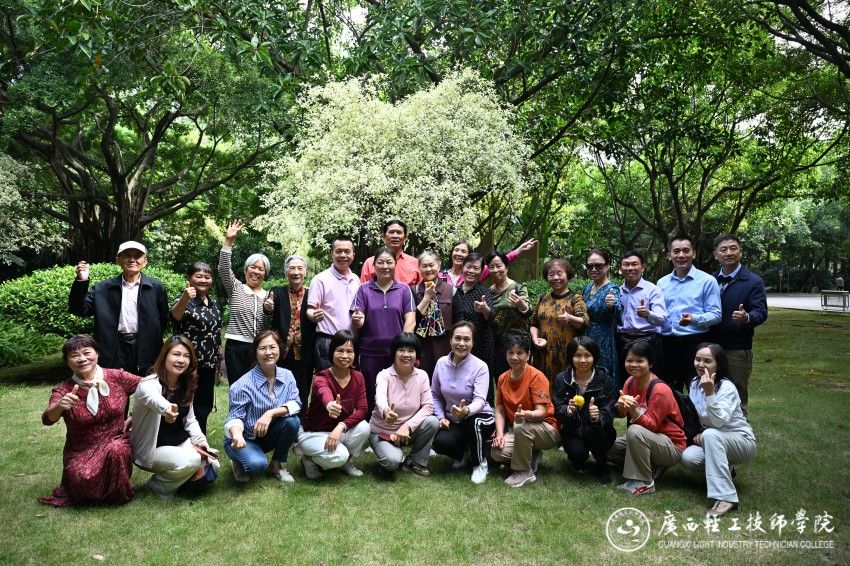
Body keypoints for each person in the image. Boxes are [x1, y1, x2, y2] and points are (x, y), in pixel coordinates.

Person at [39, 336, 141, 506]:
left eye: (87, 353)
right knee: (81, 479)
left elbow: (149, 388)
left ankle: (118, 493)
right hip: (81, 448)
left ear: (97, 354)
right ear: (67, 362)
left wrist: (134, 416)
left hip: (115, 438)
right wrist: (59, 406)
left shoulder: (117, 377)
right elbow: (47, 419)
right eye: (74, 355)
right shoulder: (64, 390)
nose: (82, 359)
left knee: (117, 450)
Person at [131, 336, 215, 498]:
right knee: (192, 460)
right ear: (164, 356)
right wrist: (168, 409)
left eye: (186, 356)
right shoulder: (148, 384)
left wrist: (201, 440)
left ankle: (180, 479)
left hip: (177, 441)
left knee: (212, 464)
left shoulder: (186, 384)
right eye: (176, 354)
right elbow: (153, 400)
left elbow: (190, 420)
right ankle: (156, 488)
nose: (181, 360)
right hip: (151, 449)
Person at [69, 241, 168, 376]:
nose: (132, 259)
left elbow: (163, 319)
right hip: (113, 349)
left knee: (146, 386)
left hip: (146, 348)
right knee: (114, 387)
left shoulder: (155, 287)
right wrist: (82, 281)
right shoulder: (102, 288)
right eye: (127, 255)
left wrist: (151, 336)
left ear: (144, 262)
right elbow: (79, 309)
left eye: (137, 256)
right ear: (118, 260)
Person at [681, 343, 756, 517]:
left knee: (710, 435)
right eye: (698, 359)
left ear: (719, 365)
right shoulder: (694, 383)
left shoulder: (726, 387)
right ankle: (725, 470)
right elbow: (698, 416)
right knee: (688, 457)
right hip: (713, 438)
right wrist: (699, 432)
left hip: (741, 441)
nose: (701, 364)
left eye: (707, 361)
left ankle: (726, 497)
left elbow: (719, 422)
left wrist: (710, 393)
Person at [607, 340, 685, 495]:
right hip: (649, 439)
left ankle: (644, 482)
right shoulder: (630, 382)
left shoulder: (659, 390)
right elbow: (622, 415)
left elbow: (652, 426)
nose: (633, 365)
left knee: (635, 431)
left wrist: (634, 411)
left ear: (650, 363)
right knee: (606, 447)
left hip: (671, 445)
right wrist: (620, 407)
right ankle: (652, 465)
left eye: (640, 361)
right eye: (629, 360)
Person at [224, 331, 301, 484]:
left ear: (280, 349)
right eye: (262, 348)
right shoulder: (242, 384)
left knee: (293, 421)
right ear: (255, 352)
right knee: (257, 465)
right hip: (243, 438)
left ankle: (276, 465)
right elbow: (235, 417)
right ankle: (238, 460)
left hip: (268, 435)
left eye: (272, 347)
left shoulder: (287, 376)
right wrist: (237, 435)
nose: (268, 352)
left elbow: (296, 404)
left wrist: (270, 413)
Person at [352, 247, 416, 415]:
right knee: (370, 393)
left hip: (395, 354)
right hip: (369, 354)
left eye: (389, 262)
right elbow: (359, 317)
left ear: (395, 264)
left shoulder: (404, 290)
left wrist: (402, 347)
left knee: (396, 392)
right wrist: (358, 320)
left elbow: (410, 320)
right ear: (373, 266)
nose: (385, 266)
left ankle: (396, 423)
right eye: (380, 262)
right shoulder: (364, 289)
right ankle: (369, 425)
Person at [298, 330, 370, 479]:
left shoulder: (358, 377)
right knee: (339, 456)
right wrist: (330, 405)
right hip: (313, 433)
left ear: (355, 354)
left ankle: (346, 462)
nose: (344, 355)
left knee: (364, 427)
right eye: (340, 350)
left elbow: (363, 409)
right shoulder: (321, 377)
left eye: (349, 351)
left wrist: (342, 426)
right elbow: (324, 392)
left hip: (338, 430)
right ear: (332, 352)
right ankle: (309, 460)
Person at [491, 333, 561, 488]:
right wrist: (500, 434)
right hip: (521, 430)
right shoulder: (502, 378)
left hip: (547, 429)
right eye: (510, 352)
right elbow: (500, 410)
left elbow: (541, 412)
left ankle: (524, 471)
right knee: (497, 452)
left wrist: (526, 415)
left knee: (520, 426)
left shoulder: (537, 376)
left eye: (520, 353)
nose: (514, 357)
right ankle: (531, 454)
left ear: (528, 355)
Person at [708, 235, 767, 415]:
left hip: (737, 348)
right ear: (716, 254)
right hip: (710, 348)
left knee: (737, 396)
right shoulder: (709, 280)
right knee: (710, 392)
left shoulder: (753, 281)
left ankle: (741, 431)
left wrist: (746, 317)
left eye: (733, 248)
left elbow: (761, 312)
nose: (729, 253)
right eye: (723, 249)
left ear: (740, 252)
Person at [431, 321, 495, 484]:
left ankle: (480, 464)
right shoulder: (441, 363)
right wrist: (440, 417)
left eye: (467, 339)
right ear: (450, 340)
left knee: (473, 423)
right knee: (439, 443)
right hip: (453, 420)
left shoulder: (480, 366)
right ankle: (463, 453)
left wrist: (466, 411)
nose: (461, 343)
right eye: (457, 338)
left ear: (473, 342)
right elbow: (435, 395)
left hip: (481, 416)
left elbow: (480, 400)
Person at [657, 234, 721, 392]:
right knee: (668, 391)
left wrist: (694, 319)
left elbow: (716, 314)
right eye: (676, 251)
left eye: (686, 251)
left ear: (694, 253)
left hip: (695, 344)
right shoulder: (662, 283)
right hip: (667, 344)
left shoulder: (707, 281)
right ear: (669, 255)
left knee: (698, 390)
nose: (681, 255)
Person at [369, 333, 439, 476]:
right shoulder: (384, 375)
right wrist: (386, 411)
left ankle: (416, 461)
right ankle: (394, 456)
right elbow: (380, 397)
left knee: (432, 422)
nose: (406, 354)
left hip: (407, 432)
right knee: (392, 462)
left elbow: (428, 406)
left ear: (416, 355)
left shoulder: (422, 376)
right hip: (383, 433)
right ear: (394, 353)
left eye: (411, 351)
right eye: (401, 350)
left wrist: (407, 426)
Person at [552, 336, 618, 484]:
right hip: (573, 431)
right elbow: (558, 407)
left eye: (587, 355)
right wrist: (567, 411)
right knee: (578, 455)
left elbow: (609, 409)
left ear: (594, 357)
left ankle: (602, 465)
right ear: (571, 357)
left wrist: (598, 416)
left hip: (600, 431)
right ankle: (578, 460)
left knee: (592, 430)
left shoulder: (605, 379)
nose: (582, 360)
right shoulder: (562, 379)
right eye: (578, 355)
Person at [171, 261, 222, 434]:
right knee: (184, 401)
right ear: (189, 278)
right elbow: (175, 316)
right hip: (187, 364)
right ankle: (179, 437)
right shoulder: (183, 300)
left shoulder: (213, 303)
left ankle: (200, 438)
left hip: (208, 365)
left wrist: (218, 360)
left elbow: (216, 332)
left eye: (207, 277)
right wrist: (185, 297)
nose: (203, 280)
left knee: (204, 405)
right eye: (198, 276)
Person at [218, 220, 272, 384]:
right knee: (237, 387)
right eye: (252, 267)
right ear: (246, 270)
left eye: (261, 269)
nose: (256, 271)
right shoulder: (236, 288)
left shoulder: (269, 296)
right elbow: (223, 269)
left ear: (265, 274)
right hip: (236, 347)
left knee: (258, 388)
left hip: (260, 349)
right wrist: (229, 241)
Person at [265, 254, 316, 408]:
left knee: (302, 391)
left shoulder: (312, 294)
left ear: (305, 272)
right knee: (279, 390)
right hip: (282, 352)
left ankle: (301, 419)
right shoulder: (277, 292)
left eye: (300, 268)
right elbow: (268, 308)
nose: (296, 272)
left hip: (305, 352)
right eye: (292, 268)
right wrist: (268, 307)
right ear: (286, 272)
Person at [529, 258, 589, 381]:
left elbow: (584, 322)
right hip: (542, 353)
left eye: (559, 273)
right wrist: (535, 339)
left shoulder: (575, 298)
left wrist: (570, 318)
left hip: (566, 354)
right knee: (541, 385)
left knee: (564, 386)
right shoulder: (542, 298)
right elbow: (533, 323)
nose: (556, 278)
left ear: (568, 275)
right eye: (551, 274)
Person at [306, 236, 360, 370]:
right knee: (327, 380)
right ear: (332, 254)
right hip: (328, 341)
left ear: (353, 255)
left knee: (350, 381)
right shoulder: (320, 279)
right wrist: (314, 315)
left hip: (351, 341)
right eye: (339, 251)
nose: (343, 255)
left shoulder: (356, 279)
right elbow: (310, 309)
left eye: (347, 252)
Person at [615, 250, 667, 383]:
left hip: (647, 340)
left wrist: (647, 314)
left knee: (650, 380)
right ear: (620, 268)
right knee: (625, 379)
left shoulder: (652, 290)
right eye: (626, 264)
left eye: (634, 264)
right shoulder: (616, 292)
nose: (630, 268)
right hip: (623, 341)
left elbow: (661, 319)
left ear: (643, 267)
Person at [451, 253, 497, 390]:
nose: (471, 271)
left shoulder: (483, 292)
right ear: (463, 268)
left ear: (481, 271)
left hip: (481, 345)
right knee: (460, 379)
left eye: (476, 268)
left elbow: (492, 316)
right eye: (468, 267)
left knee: (481, 381)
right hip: (460, 343)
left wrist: (485, 310)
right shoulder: (455, 291)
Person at [487, 251, 533, 380]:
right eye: (491, 267)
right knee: (502, 380)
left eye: (499, 266)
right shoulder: (488, 292)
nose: (495, 270)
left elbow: (529, 311)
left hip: (518, 344)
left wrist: (521, 305)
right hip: (498, 345)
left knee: (522, 380)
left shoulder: (518, 287)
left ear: (506, 267)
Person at [582, 249, 622, 383]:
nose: (594, 269)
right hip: (586, 336)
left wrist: (611, 306)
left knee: (601, 373)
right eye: (590, 266)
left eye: (598, 266)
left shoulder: (612, 289)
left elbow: (618, 312)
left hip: (603, 338)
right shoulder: (587, 288)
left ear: (607, 266)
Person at [411, 251, 454, 377]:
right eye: (424, 266)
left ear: (439, 265)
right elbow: (412, 319)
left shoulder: (451, 290)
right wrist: (426, 298)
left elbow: (458, 319)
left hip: (444, 344)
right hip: (422, 345)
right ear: (419, 268)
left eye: (431, 265)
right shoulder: (414, 291)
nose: (428, 269)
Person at [440, 239, 538, 287]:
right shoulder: (440, 275)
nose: (459, 254)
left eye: (463, 251)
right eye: (456, 250)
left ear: (470, 256)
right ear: (452, 253)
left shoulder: (476, 272)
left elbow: (500, 262)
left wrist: (519, 250)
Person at [360, 219, 423, 285]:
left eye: (399, 232)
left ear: (405, 238)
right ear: (383, 237)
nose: (395, 236)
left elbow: (422, 289)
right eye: (391, 232)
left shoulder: (415, 263)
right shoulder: (370, 263)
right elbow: (363, 289)